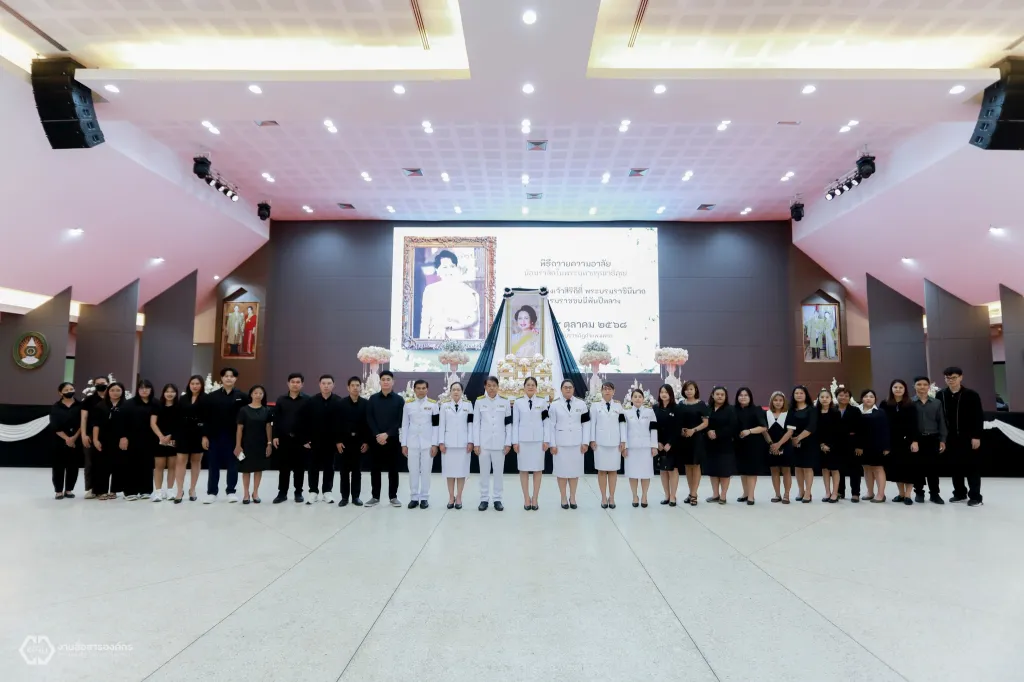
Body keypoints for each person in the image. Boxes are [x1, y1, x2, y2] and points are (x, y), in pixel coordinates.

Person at [939, 367, 985, 507]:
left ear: (960, 377)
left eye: (953, 377)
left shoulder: (971, 394)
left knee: (972, 467)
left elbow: (978, 416)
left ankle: (975, 497)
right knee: (955, 467)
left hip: (968, 437)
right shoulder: (941, 395)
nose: (950, 380)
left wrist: (976, 436)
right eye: (947, 378)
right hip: (950, 438)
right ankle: (959, 493)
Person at [203, 368, 246, 504]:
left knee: (233, 464)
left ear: (235, 379)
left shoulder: (242, 396)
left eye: (231, 376)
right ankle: (212, 492)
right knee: (213, 464)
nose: (229, 378)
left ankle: (231, 491)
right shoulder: (211, 396)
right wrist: (205, 436)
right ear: (221, 378)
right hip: (215, 435)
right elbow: (206, 417)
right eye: (226, 376)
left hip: (234, 436)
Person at [300, 374, 342, 504]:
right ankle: (313, 491)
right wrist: (305, 439)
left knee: (329, 466)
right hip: (314, 440)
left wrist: (338, 440)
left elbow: (341, 423)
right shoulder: (311, 401)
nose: (326, 386)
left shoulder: (338, 401)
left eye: (329, 383)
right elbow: (304, 421)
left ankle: (327, 491)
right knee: (313, 466)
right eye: (323, 383)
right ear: (319, 385)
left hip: (331, 441)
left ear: (333, 385)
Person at [420, 250, 480, 340]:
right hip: (436, 339)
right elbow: (425, 320)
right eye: (445, 267)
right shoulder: (430, 290)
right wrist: (423, 343)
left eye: (452, 266)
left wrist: (453, 326)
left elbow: (474, 320)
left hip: (460, 340)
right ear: (437, 270)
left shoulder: (467, 291)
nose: (449, 270)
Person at [367, 370, 405, 507]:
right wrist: (378, 434)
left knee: (393, 469)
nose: (386, 382)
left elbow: (400, 420)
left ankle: (393, 497)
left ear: (393, 382)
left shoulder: (399, 400)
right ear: (380, 382)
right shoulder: (373, 399)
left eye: (388, 379)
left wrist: (387, 434)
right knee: (375, 469)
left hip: (392, 439)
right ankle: (375, 496)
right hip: (376, 439)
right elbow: (369, 418)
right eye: (383, 379)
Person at [473, 376, 512, 511]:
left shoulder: (505, 402)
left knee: (498, 473)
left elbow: (508, 424)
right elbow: (476, 424)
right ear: (485, 387)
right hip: (484, 443)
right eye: (489, 385)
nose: (491, 388)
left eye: (494, 385)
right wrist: (476, 443)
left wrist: (508, 442)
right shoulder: (479, 402)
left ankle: (497, 499)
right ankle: (484, 499)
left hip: (499, 443)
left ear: (498, 387)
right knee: (484, 472)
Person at [549, 379, 588, 509]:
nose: (568, 389)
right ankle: (563, 497)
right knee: (561, 472)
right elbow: (551, 426)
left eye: (570, 387)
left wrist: (585, 442)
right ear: (561, 389)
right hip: (560, 444)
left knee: (574, 472)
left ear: (573, 389)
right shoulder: (554, 405)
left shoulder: (581, 404)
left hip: (577, 444)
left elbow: (586, 424)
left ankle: (572, 497)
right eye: (565, 387)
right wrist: (552, 444)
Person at [402, 379, 439, 509]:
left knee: (426, 471)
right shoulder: (408, 404)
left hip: (427, 443)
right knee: (413, 470)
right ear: (414, 390)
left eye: (423, 388)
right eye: (418, 388)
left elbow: (436, 426)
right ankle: (414, 497)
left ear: (427, 389)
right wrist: (404, 444)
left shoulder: (433, 405)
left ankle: (424, 497)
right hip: (412, 442)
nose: (421, 390)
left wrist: (435, 444)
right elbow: (405, 425)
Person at [272, 373, 308, 504]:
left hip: (301, 440)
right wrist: (275, 436)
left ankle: (298, 492)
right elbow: (276, 419)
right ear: (288, 383)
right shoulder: (281, 400)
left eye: (298, 382)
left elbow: (310, 421)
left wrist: (307, 439)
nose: (295, 384)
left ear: (302, 384)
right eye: (293, 382)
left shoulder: (307, 400)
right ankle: (282, 493)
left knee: (299, 468)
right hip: (284, 438)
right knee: (284, 468)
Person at [512, 377, 548, 510]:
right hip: (523, 441)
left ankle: (535, 498)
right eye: (528, 385)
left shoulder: (542, 402)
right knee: (523, 470)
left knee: (538, 470)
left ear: (536, 387)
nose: (531, 387)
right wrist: (515, 441)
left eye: (533, 385)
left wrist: (546, 440)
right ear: (524, 387)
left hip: (538, 441)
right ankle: (526, 498)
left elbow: (546, 422)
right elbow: (515, 423)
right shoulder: (518, 402)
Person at [882, 380, 919, 505]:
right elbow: (882, 424)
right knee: (897, 468)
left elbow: (915, 424)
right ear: (891, 389)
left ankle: (908, 495)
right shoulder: (885, 404)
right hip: (892, 441)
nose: (898, 389)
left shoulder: (910, 404)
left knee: (909, 468)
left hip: (908, 441)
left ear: (905, 389)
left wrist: (915, 441)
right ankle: (901, 494)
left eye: (900, 387)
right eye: (895, 387)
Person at [589, 382, 626, 509]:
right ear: (601, 391)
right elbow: (592, 424)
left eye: (610, 389)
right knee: (601, 470)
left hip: (615, 443)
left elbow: (622, 423)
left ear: (614, 391)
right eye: (605, 389)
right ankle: (604, 497)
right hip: (600, 443)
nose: (607, 391)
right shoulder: (595, 406)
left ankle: (612, 497)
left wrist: (623, 440)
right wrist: (592, 440)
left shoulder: (618, 406)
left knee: (613, 471)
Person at [911, 376, 947, 504]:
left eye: (925, 384)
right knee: (917, 468)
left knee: (933, 468)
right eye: (919, 384)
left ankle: (934, 494)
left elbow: (941, 421)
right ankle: (919, 492)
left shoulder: (937, 403)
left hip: (933, 438)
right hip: (916, 439)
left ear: (929, 386)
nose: (922, 387)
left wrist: (943, 439)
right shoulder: (910, 403)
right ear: (914, 386)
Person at [439, 382, 474, 509]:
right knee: (449, 472)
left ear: (462, 392)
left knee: (461, 472)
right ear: (450, 391)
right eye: (453, 389)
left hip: (463, 445)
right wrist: (441, 442)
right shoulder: (444, 406)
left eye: (458, 389)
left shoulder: (468, 405)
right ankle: (450, 497)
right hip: (448, 444)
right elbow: (441, 425)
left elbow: (471, 424)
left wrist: (470, 441)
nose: (456, 392)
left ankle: (458, 497)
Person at [235, 385, 272, 503]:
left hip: (260, 444)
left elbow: (268, 427)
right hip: (246, 444)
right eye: (255, 393)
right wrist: (238, 445)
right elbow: (239, 428)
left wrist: (269, 443)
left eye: (260, 393)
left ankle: (255, 492)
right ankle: (246, 493)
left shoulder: (267, 410)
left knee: (258, 469)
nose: (258, 395)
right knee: (246, 469)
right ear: (251, 394)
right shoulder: (244, 410)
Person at [337, 376, 370, 507]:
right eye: (353, 385)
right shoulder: (341, 403)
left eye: (357, 385)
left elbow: (368, 424)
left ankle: (356, 497)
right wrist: (338, 441)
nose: (355, 388)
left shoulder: (366, 404)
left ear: (360, 387)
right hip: (344, 442)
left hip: (359, 442)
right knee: (344, 471)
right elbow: (337, 424)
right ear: (348, 387)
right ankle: (344, 497)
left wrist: (366, 442)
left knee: (357, 471)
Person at [91, 382, 128, 500]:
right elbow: (96, 425)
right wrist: (95, 439)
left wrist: (125, 437)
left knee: (118, 464)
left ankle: (114, 490)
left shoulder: (127, 405)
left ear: (122, 392)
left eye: (118, 390)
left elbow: (129, 424)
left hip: (120, 440)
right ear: (108, 392)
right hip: (103, 439)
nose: (115, 393)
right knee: (102, 465)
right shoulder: (100, 405)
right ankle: (101, 491)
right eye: (112, 390)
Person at [122, 380, 157, 501]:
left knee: (147, 464)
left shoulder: (155, 403)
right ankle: (130, 491)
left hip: (150, 439)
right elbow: (122, 422)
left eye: (147, 388)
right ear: (137, 390)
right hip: (132, 438)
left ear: (151, 389)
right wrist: (123, 437)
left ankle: (146, 490)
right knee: (131, 464)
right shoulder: (129, 404)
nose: (144, 390)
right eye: (141, 388)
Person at [623, 388, 658, 507]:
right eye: (635, 396)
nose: (637, 399)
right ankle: (634, 496)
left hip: (645, 448)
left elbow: (654, 429)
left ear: (643, 399)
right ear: (631, 399)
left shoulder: (650, 412)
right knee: (632, 473)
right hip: (631, 448)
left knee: (645, 473)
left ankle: (644, 496)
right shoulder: (626, 412)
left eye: (640, 396)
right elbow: (623, 431)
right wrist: (624, 446)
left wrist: (654, 446)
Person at [676, 381, 708, 506]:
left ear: (695, 390)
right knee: (688, 466)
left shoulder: (701, 404)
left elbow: (705, 423)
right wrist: (682, 430)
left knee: (696, 465)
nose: (688, 391)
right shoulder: (680, 405)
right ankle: (690, 492)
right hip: (684, 438)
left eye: (691, 389)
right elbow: (678, 421)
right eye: (686, 389)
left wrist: (693, 430)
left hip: (697, 438)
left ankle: (694, 494)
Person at [734, 387, 767, 505]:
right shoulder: (733, 410)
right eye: (741, 395)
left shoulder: (756, 409)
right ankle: (745, 493)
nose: (743, 397)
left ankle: (751, 496)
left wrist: (749, 431)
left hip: (753, 444)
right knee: (743, 470)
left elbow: (763, 427)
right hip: (739, 444)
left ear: (750, 397)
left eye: (746, 395)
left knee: (751, 471)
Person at [704, 386, 737, 504]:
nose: (720, 396)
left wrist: (717, 433)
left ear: (726, 396)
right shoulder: (707, 409)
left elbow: (733, 427)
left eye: (722, 394)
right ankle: (715, 494)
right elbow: (703, 423)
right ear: (712, 395)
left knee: (724, 472)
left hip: (725, 445)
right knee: (713, 471)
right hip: (710, 444)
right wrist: (708, 431)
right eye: (717, 394)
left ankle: (723, 496)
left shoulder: (730, 409)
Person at [177, 375, 207, 502]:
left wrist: (205, 435)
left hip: (198, 432)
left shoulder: (206, 398)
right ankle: (179, 490)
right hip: (183, 432)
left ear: (202, 385)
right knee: (181, 461)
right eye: (192, 383)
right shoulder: (183, 398)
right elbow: (177, 416)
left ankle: (192, 489)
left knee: (196, 461)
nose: (195, 386)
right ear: (189, 385)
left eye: (197, 383)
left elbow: (208, 418)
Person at [50, 382, 82, 499]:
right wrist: (67, 439)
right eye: (66, 390)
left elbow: (83, 423)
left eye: (71, 389)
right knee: (58, 466)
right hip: (59, 440)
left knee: (73, 466)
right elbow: (55, 425)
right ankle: (58, 490)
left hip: (76, 439)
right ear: (60, 392)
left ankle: (69, 490)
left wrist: (74, 438)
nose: (69, 391)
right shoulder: (56, 407)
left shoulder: (80, 405)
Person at [150, 384, 181, 501]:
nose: (169, 394)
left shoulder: (179, 407)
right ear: (163, 393)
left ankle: (170, 490)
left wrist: (171, 435)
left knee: (172, 466)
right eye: (167, 391)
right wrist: (161, 436)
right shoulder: (157, 405)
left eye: (172, 391)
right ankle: (158, 492)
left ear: (176, 393)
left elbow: (180, 424)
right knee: (159, 466)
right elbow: (153, 423)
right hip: (159, 439)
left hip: (174, 439)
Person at [79, 375, 108, 499]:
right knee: (90, 462)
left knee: (105, 463)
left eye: (103, 383)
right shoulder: (88, 400)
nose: (101, 385)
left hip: (108, 434)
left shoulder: (111, 398)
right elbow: (84, 418)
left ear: (108, 383)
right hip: (90, 434)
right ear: (94, 385)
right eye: (98, 383)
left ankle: (103, 489)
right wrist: (83, 434)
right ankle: (90, 488)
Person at [858, 389, 890, 503]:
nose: (868, 398)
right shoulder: (856, 410)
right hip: (861, 446)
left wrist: (886, 447)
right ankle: (870, 492)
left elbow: (885, 429)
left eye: (871, 396)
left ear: (875, 399)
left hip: (877, 445)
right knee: (866, 468)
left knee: (877, 468)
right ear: (862, 398)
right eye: (866, 396)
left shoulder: (880, 412)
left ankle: (881, 494)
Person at [654, 385, 682, 506]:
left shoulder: (677, 408)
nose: (664, 394)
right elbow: (653, 426)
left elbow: (678, 428)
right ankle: (666, 495)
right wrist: (658, 442)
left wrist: (670, 443)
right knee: (663, 470)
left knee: (672, 470)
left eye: (666, 392)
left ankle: (673, 496)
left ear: (671, 394)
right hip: (660, 444)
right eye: (661, 392)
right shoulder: (655, 408)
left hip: (673, 444)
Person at [833, 387, 863, 502]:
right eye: (841, 395)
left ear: (850, 397)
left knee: (855, 469)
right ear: (836, 396)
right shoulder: (833, 410)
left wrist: (859, 446)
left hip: (853, 444)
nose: (843, 397)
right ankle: (840, 491)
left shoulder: (855, 410)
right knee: (838, 469)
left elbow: (861, 429)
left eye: (846, 395)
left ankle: (855, 493)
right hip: (836, 444)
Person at [789, 385, 818, 504]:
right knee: (798, 467)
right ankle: (801, 490)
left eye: (801, 393)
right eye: (796, 393)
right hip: (794, 442)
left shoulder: (812, 409)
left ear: (806, 395)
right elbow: (788, 425)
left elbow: (812, 426)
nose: (799, 395)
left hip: (808, 441)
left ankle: (808, 492)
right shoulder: (791, 409)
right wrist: (793, 439)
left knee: (807, 467)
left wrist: (799, 438)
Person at [765, 391, 793, 504]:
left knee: (786, 470)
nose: (778, 402)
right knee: (774, 470)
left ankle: (786, 495)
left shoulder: (789, 414)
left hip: (785, 445)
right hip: (771, 445)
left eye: (780, 400)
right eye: (775, 400)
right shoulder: (766, 414)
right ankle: (777, 494)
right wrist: (772, 444)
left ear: (784, 402)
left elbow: (790, 432)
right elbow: (764, 431)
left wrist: (779, 444)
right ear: (772, 401)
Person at [816, 388, 841, 503]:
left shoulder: (835, 412)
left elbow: (838, 431)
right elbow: (815, 430)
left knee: (834, 469)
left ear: (831, 399)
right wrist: (821, 445)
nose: (824, 399)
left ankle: (835, 493)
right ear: (818, 399)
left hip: (834, 445)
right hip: (820, 445)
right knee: (825, 469)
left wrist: (829, 445)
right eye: (822, 397)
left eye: (827, 397)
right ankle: (827, 492)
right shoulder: (815, 412)